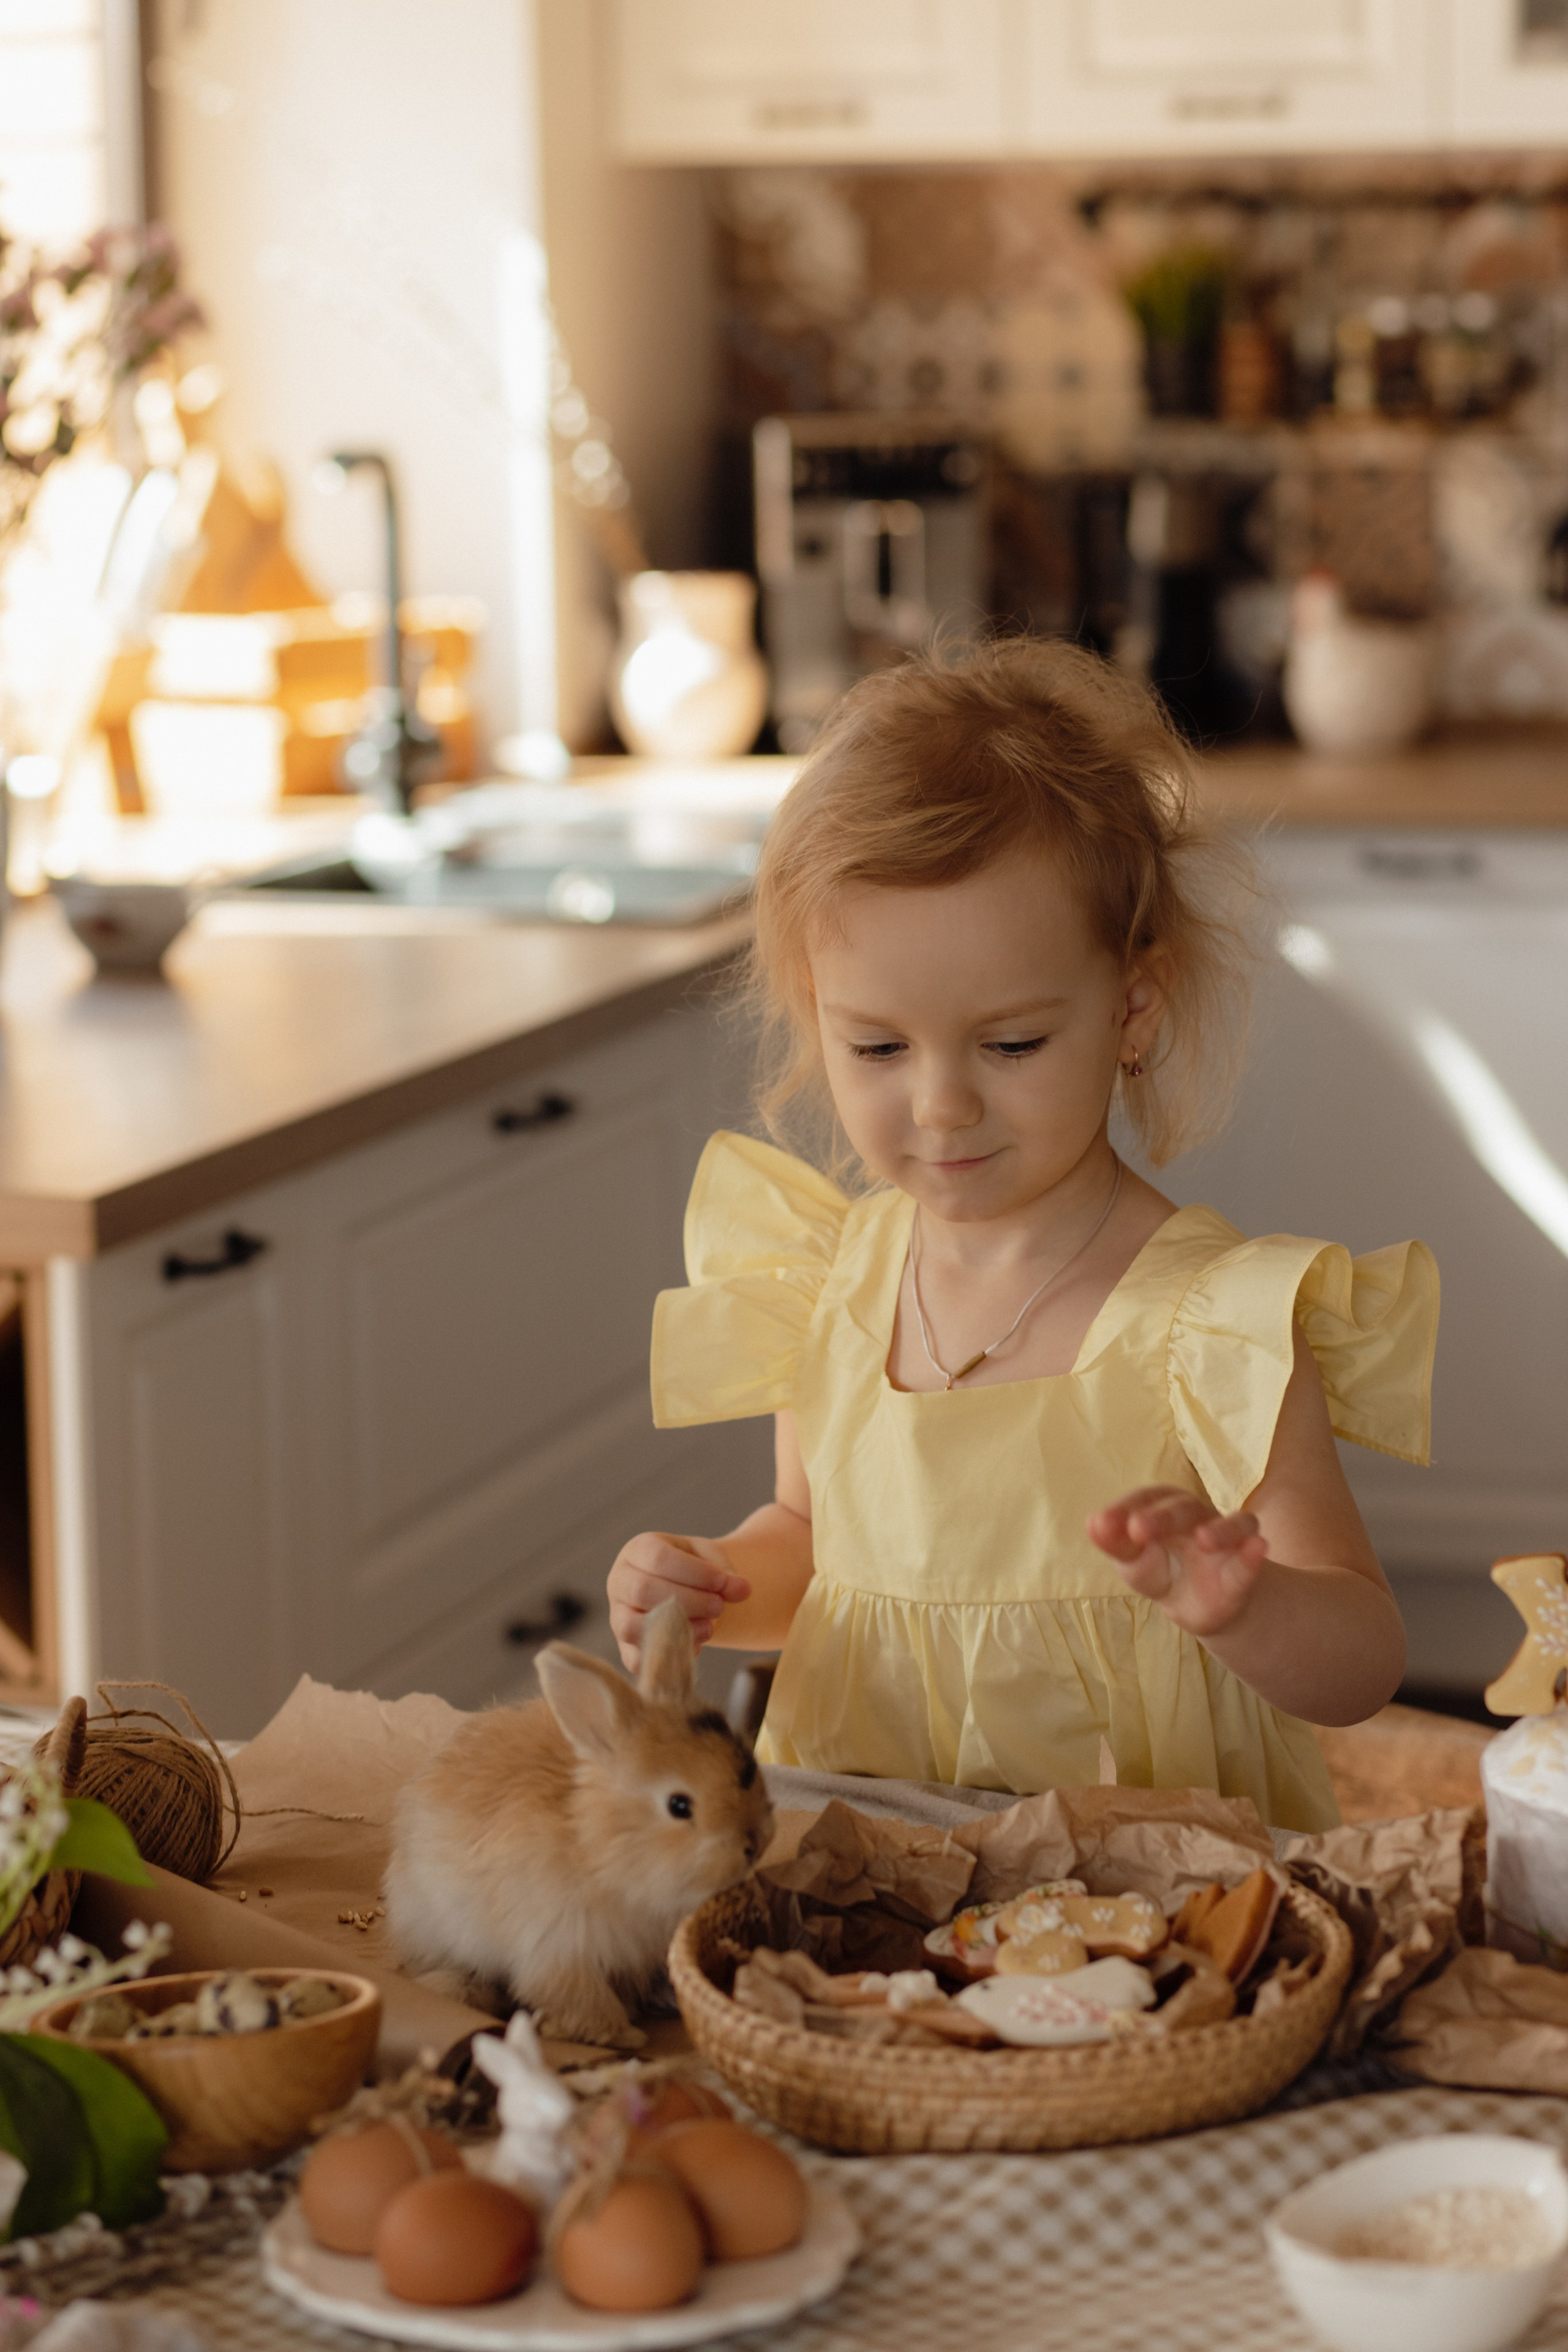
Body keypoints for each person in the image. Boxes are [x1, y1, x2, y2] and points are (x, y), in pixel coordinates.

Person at [606, 638, 1438, 1831]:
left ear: (1129, 1013)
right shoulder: (823, 1287)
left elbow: (1360, 1662)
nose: (939, 1104)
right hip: (870, 1880)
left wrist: (1242, 1611)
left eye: (1008, 1046)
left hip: (1147, 1906)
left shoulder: (1211, 1328)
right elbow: (810, 1552)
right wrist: (712, 1584)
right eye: (877, 1048)